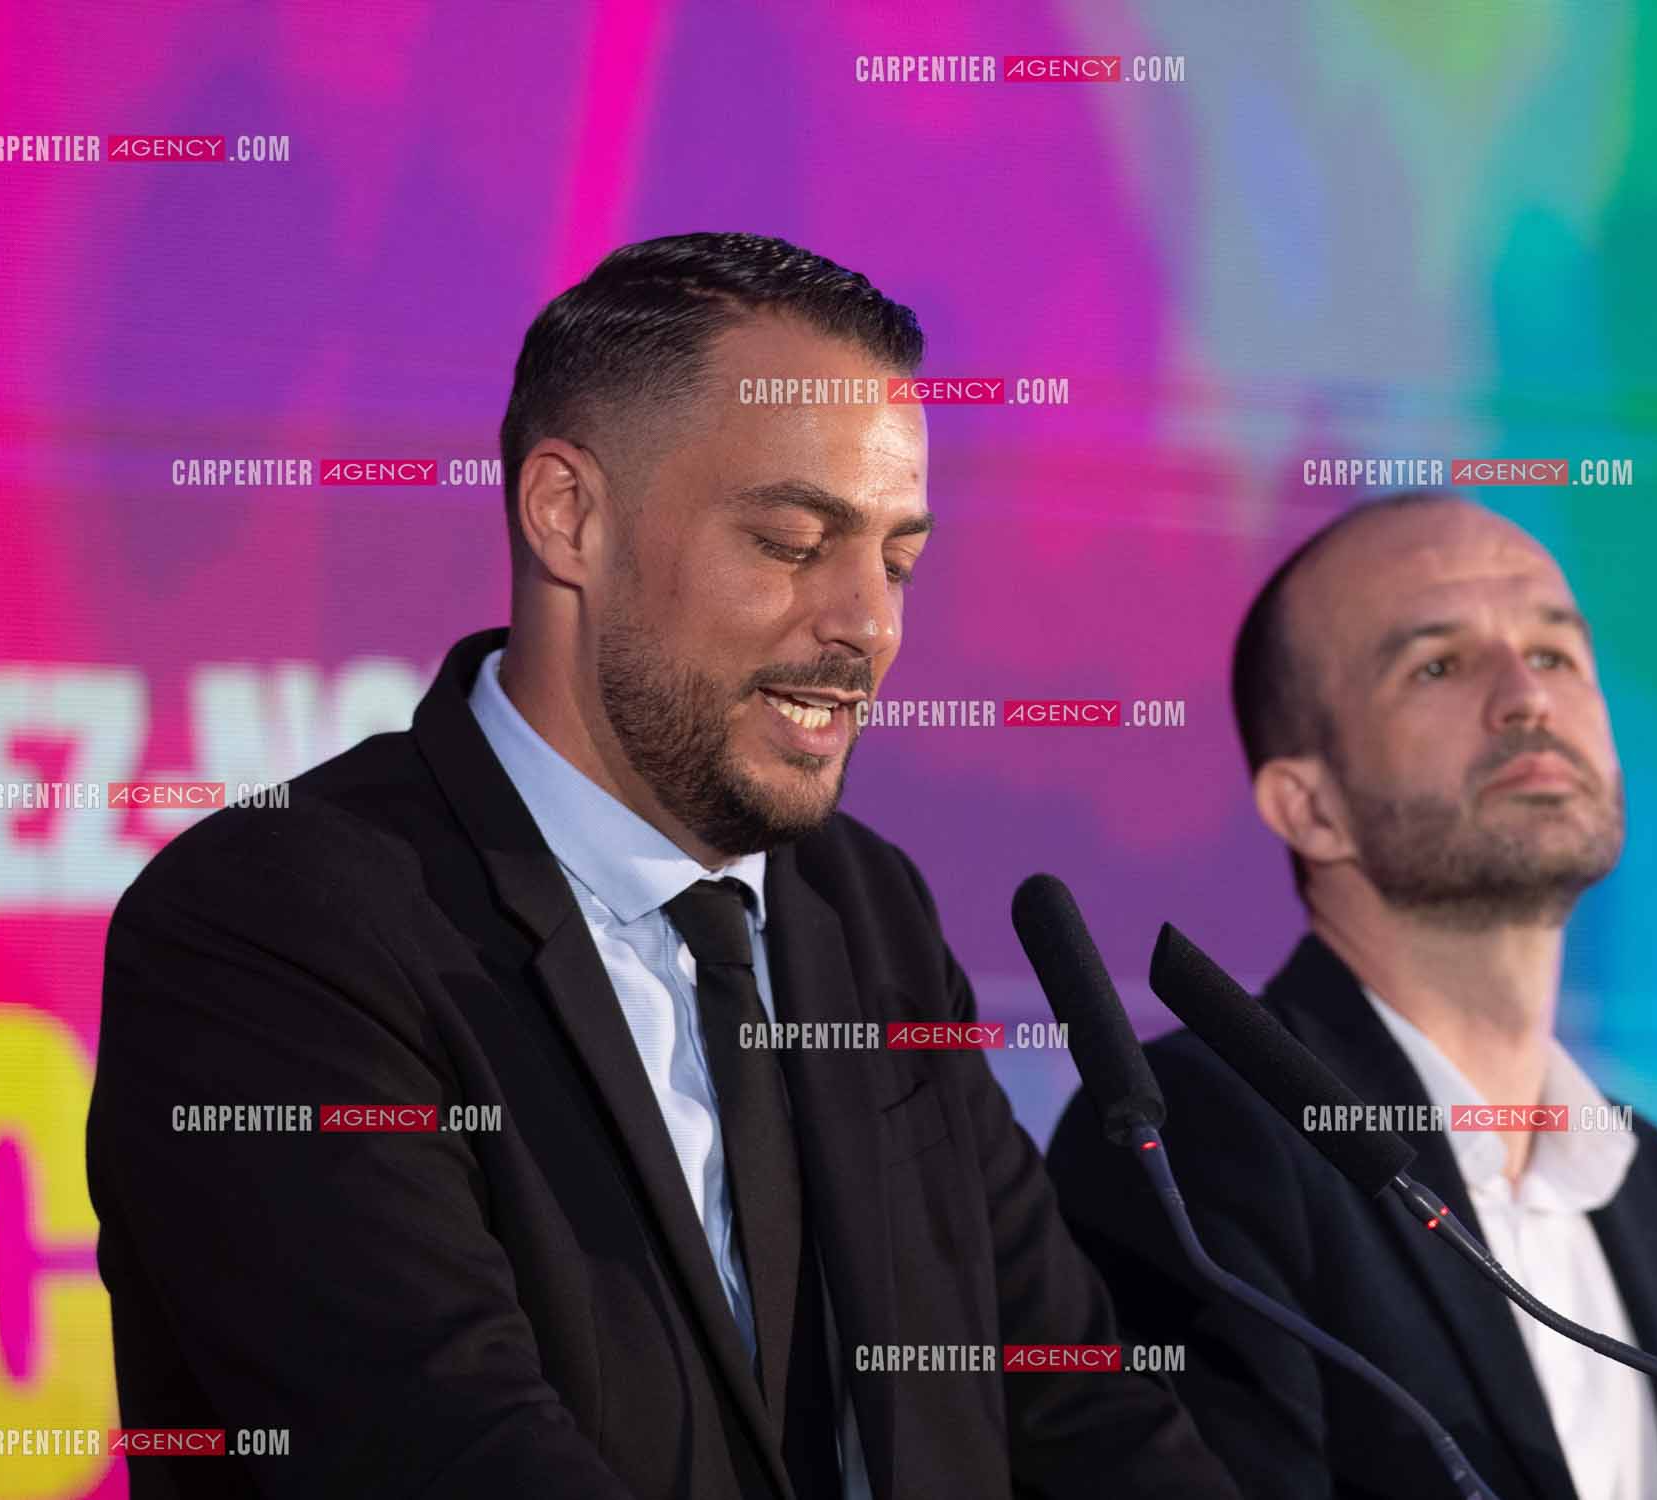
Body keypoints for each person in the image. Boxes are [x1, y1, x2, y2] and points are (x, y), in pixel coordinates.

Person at [87, 232, 1239, 1500]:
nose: (868, 623)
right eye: (796, 543)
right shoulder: (278, 925)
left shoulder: (864, 908)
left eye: (898, 560)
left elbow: (1074, 1411)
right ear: (568, 515)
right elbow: (451, 1454)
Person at [1045, 492, 1657, 1500]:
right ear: (1310, 806)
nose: (1525, 699)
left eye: (1554, 654)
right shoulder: (1191, 1141)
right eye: (1438, 666)